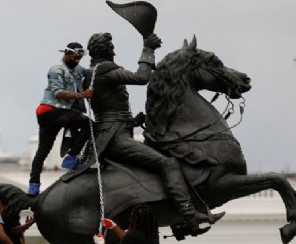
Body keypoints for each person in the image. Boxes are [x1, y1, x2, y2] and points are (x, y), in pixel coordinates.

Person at [72, 32, 223, 230]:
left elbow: (109, 111)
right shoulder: (103, 70)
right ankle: (188, 214)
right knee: (168, 163)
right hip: (115, 139)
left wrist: (133, 121)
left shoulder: (95, 71)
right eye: (112, 48)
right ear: (108, 50)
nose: (114, 51)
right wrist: (148, 49)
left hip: (116, 131)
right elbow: (142, 77)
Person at [28, 42, 94, 196]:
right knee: (88, 124)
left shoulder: (77, 69)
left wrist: (114, 68)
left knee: (43, 150)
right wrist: (82, 95)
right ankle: (71, 157)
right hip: (51, 111)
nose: (77, 60)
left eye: (79, 58)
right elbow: (58, 93)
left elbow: (91, 71)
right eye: (75, 57)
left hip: (58, 114)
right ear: (67, 53)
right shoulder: (56, 70)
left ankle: (33, 185)